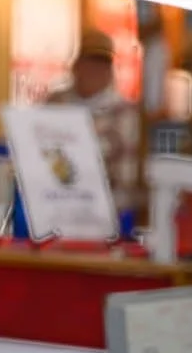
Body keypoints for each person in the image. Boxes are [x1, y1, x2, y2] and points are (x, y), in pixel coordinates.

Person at [45, 27, 141, 222]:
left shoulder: (125, 113)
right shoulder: (54, 103)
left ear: (110, 70)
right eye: (89, 62)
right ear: (76, 65)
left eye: (103, 65)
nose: (95, 70)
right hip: (54, 211)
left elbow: (126, 175)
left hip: (108, 215)